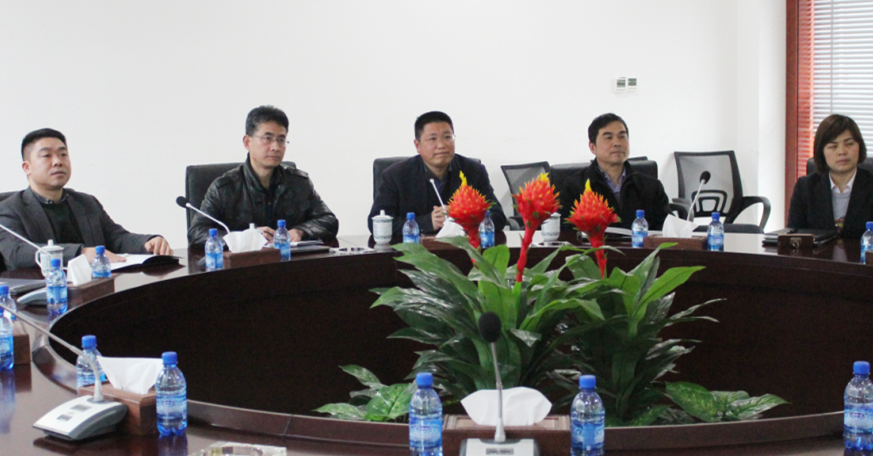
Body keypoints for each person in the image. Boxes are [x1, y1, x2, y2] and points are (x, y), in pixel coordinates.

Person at [0, 128, 172, 270]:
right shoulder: (9, 209)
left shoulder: (86, 202)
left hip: (94, 288)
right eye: (46, 156)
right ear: (27, 167)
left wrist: (147, 242)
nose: (57, 161)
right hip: (41, 293)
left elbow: (116, 238)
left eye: (63, 154)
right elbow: (17, 253)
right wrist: (81, 253)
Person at [188, 105, 338, 245]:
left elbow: (329, 220)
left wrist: (301, 231)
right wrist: (243, 238)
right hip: (243, 263)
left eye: (281, 140)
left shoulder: (299, 183)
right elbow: (197, 232)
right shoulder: (224, 188)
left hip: (288, 261)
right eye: (267, 138)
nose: (275, 147)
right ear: (247, 142)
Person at [368, 111, 507, 236]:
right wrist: (427, 222)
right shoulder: (396, 175)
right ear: (417, 145)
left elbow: (498, 217)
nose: (441, 145)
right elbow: (376, 224)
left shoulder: (473, 171)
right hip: (413, 252)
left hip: (463, 251)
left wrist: (463, 217)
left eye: (447, 137)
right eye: (432, 139)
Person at [559, 113, 670, 230]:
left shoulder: (651, 186)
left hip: (640, 242)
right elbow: (565, 231)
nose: (617, 143)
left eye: (622, 136)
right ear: (592, 147)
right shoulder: (575, 187)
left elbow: (668, 229)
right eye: (608, 138)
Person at [788, 114, 873, 238]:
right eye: (833, 146)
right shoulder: (805, 188)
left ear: (860, 147)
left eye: (849, 144)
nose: (842, 151)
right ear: (821, 152)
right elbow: (792, 236)